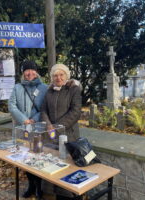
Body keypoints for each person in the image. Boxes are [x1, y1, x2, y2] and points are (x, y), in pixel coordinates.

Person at [41, 63, 82, 200]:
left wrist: (57, 126)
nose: (58, 78)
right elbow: (43, 110)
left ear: (66, 75)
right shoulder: (49, 91)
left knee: (67, 166)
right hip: (51, 135)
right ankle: (50, 194)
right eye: (55, 75)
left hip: (68, 135)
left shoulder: (73, 89)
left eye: (61, 74)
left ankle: (68, 195)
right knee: (52, 165)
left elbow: (75, 112)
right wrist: (48, 125)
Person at [8, 60, 47, 199]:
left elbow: (44, 107)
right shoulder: (17, 87)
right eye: (26, 70)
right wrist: (24, 119)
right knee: (25, 157)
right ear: (23, 72)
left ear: (36, 71)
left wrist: (34, 119)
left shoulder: (44, 88)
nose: (29, 73)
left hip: (37, 128)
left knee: (37, 156)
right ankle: (31, 185)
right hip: (22, 128)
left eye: (32, 70)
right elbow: (11, 105)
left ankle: (39, 187)